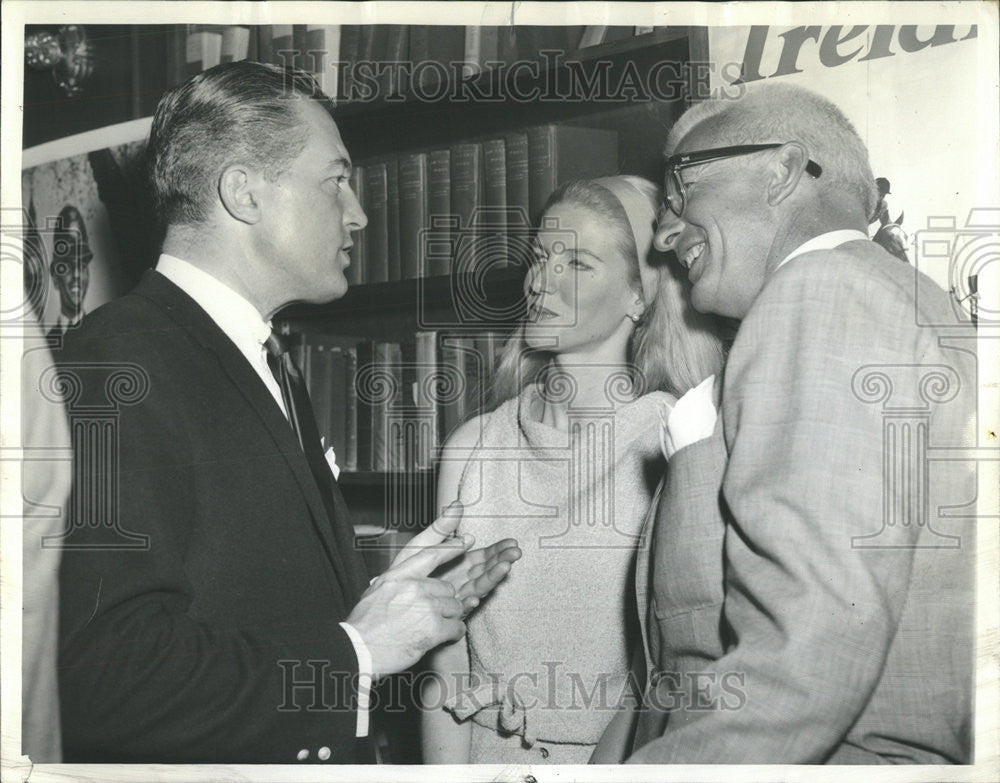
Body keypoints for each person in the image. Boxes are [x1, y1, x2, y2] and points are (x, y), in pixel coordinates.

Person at [55, 61, 519, 764]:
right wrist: (357, 649)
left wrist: (382, 598)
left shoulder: (263, 357)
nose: (358, 211)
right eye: (335, 179)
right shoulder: (118, 363)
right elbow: (110, 680)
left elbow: (242, 603)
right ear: (243, 192)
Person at [624, 82, 975, 764]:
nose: (663, 234)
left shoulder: (819, 289)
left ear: (781, 171)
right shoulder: (907, 299)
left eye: (682, 188)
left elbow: (807, 653)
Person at [422, 176, 726, 764]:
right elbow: (444, 657)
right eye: (541, 257)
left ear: (640, 297)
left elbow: (656, 673)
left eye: (578, 264)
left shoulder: (676, 442)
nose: (541, 282)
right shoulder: (472, 446)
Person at [46, 204, 92, 341]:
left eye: (82, 265)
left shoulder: (104, 336)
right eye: (68, 265)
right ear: (55, 277)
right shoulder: (45, 349)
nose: (77, 274)